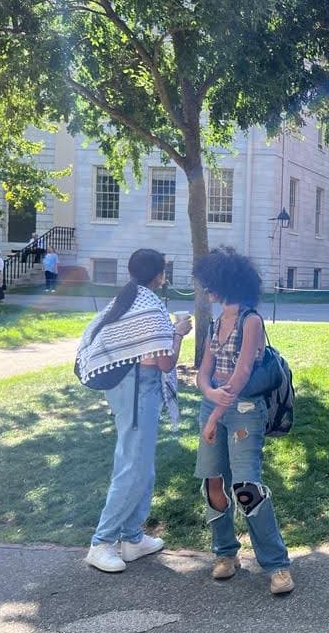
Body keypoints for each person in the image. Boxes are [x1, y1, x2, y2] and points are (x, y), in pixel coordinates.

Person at [76, 249, 191, 572]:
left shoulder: (125, 299)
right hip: (140, 391)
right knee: (132, 467)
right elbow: (165, 360)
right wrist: (178, 332)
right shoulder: (150, 307)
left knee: (140, 462)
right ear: (160, 275)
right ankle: (102, 542)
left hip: (126, 388)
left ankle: (132, 537)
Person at [193, 247, 294, 596]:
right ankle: (225, 555)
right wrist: (209, 394)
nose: (207, 290)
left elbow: (242, 374)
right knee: (213, 483)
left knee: (246, 488)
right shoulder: (215, 322)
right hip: (214, 408)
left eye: (210, 284)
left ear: (224, 283)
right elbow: (202, 372)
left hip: (244, 412)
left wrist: (217, 410)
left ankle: (277, 565)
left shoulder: (251, 320)